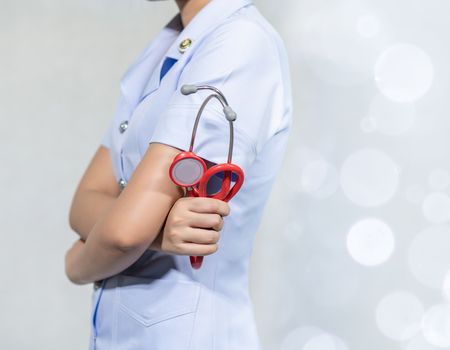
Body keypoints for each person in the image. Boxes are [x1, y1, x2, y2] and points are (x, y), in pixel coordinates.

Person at [65, 0, 292, 349]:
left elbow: (123, 236)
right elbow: (87, 198)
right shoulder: (172, 42)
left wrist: (77, 263)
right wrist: (156, 232)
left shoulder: (238, 43)